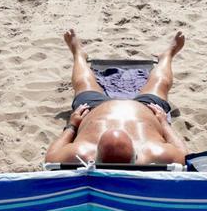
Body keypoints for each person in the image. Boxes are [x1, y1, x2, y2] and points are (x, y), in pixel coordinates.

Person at [45, 29, 188, 166]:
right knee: (159, 84)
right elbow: (183, 154)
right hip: (147, 110)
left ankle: (78, 53)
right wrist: (163, 123)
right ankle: (168, 55)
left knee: (83, 84)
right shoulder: (153, 153)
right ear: (136, 154)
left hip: (93, 110)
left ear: (95, 155)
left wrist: (72, 125)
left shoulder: (82, 152)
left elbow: (50, 157)